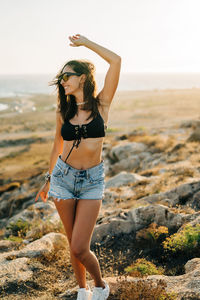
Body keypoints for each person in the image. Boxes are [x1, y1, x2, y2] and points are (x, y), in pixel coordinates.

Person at [35, 34, 121, 300]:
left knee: (81, 247)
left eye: (67, 76)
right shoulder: (63, 111)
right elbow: (56, 147)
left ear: (82, 77)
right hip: (63, 178)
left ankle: (100, 285)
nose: (63, 81)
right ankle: (82, 290)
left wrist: (86, 44)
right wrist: (49, 180)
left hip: (92, 181)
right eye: (61, 78)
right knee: (73, 245)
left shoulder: (102, 104)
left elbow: (116, 60)